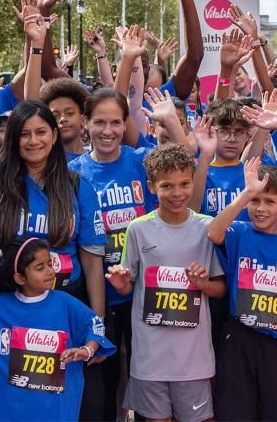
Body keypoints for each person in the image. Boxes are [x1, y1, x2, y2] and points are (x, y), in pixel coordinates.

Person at [0, 100, 108, 419]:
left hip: (64, 304)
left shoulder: (76, 184)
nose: (33, 140)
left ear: (54, 135)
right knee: (10, 398)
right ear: (12, 139)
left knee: (67, 398)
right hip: (7, 304)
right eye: (24, 134)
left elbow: (93, 261)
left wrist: (97, 322)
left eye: (41, 131)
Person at [69, 87, 182, 420]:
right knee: (103, 378)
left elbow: (183, 160)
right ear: (85, 123)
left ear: (126, 124)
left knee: (149, 376)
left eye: (116, 122)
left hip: (145, 292)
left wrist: (171, 122)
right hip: (97, 295)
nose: (108, 131)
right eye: (100, 122)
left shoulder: (139, 159)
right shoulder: (74, 173)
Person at [106, 143, 225, 422]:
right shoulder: (138, 229)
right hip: (150, 355)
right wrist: (120, 283)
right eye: (167, 186)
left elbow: (220, 289)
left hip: (193, 358)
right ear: (151, 187)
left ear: (193, 182)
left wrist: (203, 284)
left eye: (184, 184)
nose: (176, 193)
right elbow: (127, 285)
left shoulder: (207, 227)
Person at [0, 238, 115, 421]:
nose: (50, 271)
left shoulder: (65, 303)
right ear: (20, 277)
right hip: (3, 412)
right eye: (40, 267)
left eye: (50, 264)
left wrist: (87, 350)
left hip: (52, 413)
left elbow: (96, 326)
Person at [207, 159, 277, 421]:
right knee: (235, 410)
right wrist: (246, 194)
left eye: (269, 201)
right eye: (256, 201)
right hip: (239, 337)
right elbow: (213, 233)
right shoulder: (239, 232)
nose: (260, 209)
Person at [192, 97, 277, 220]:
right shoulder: (200, 173)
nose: (232, 139)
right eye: (224, 131)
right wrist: (205, 154)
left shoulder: (258, 170)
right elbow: (191, 211)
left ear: (247, 136)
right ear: (211, 132)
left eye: (239, 132)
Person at [39, 77, 90, 161]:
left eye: (69, 113)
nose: (62, 119)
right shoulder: (43, 159)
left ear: (83, 120)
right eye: (55, 115)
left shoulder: (96, 157)